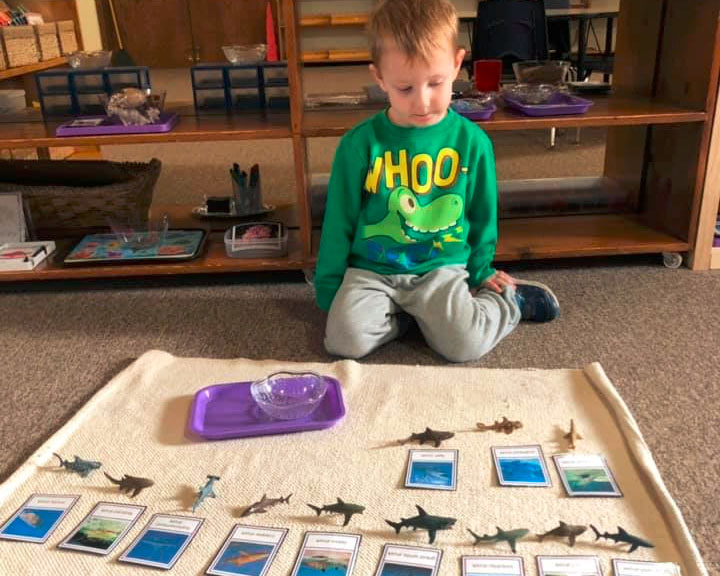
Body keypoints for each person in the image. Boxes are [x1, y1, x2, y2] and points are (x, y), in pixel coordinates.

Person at [314, 0, 559, 362]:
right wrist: (330, 286)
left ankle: (510, 301)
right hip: (372, 270)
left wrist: (480, 271)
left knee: (463, 346)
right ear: (379, 77)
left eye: (436, 82)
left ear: (458, 64)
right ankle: (412, 319)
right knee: (343, 342)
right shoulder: (359, 144)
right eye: (404, 88)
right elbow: (339, 219)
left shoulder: (472, 142)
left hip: (440, 268)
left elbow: (482, 215)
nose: (423, 102)